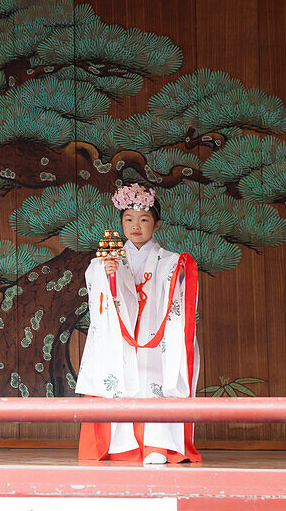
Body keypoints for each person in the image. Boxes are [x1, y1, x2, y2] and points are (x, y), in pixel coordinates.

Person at [76, 183, 200, 464]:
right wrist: (107, 273)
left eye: (144, 220)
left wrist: (175, 272)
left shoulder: (169, 261)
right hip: (122, 335)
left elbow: (175, 293)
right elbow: (97, 290)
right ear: (120, 223)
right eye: (128, 219)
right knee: (120, 380)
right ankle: (121, 447)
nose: (135, 226)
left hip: (154, 333)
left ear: (156, 225)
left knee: (154, 382)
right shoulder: (108, 259)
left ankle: (157, 446)